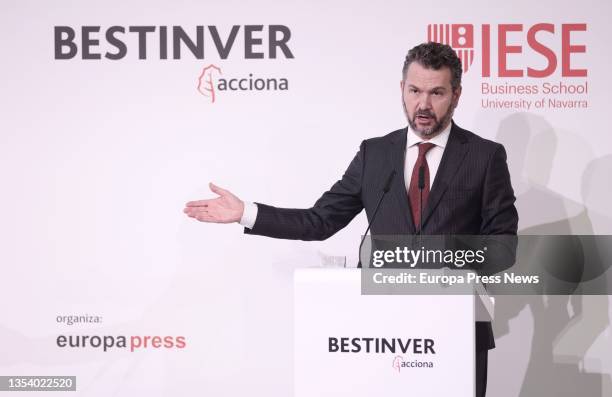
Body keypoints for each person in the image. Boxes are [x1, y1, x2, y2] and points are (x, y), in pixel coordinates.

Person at [184, 42, 518, 397]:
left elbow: (503, 246)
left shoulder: (484, 157)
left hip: (457, 330)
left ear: (456, 95)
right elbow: (320, 221)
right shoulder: (375, 154)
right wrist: (248, 213)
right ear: (401, 90)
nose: (423, 104)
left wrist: (441, 262)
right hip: (380, 332)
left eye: (436, 93)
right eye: (414, 90)